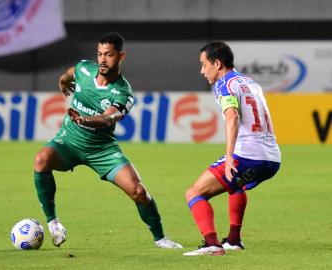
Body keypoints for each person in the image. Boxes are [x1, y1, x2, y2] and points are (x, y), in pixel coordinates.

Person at [33, 32, 182, 249]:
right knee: (41, 160)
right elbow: (69, 74)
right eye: (100, 54)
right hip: (69, 142)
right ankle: (54, 224)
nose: (102, 60)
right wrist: (63, 81)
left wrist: (85, 119)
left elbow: (108, 118)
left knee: (138, 191)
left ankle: (161, 238)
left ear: (121, 56)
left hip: (102, 149)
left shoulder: (123, 92)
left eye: (108, 55)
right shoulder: (84, 69)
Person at [183, 41, 281, 256]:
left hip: (249, 155)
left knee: (194, 193)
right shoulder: (251, 83)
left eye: (203, 64)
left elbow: (232, 117)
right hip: (273, 158)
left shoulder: (223, 84)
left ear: (217, 63)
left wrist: (229, 157)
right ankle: (234, 240)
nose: (201, 71)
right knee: (236, 185)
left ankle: (212, 244)